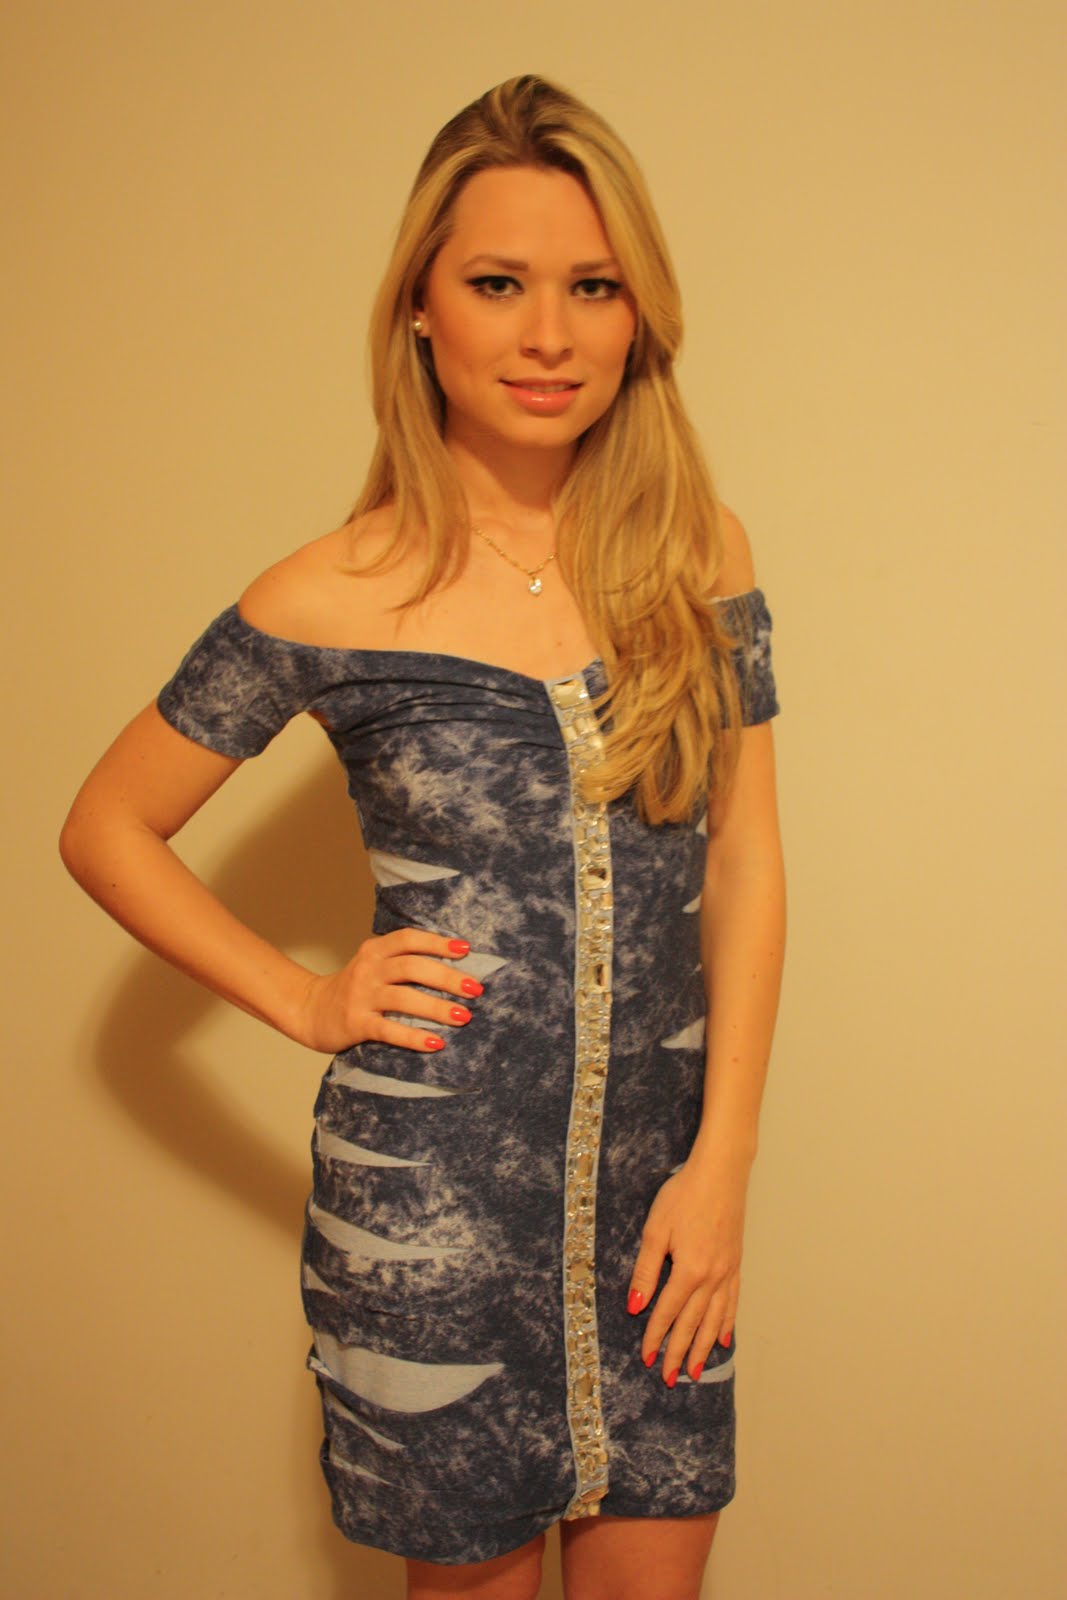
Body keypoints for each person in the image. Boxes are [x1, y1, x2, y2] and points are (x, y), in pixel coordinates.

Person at [60, 74, 785, 1600]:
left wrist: (722, 1165)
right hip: (429, 1225)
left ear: (640, 317)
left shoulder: (699, 555)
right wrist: (305, 998)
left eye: (594, 288)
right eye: (498, 283)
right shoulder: (331, 593)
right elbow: (107, 826)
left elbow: (743, 863)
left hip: (664, 1212)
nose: (549, 334)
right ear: (418, 308)